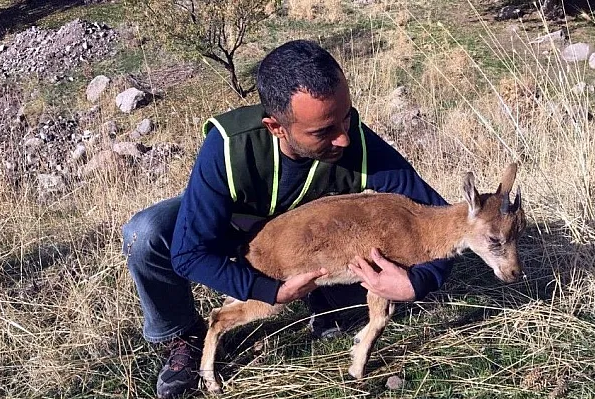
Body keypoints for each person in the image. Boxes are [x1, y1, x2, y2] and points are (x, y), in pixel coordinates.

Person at [122, 39, 454, 399]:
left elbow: (443, 218)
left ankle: (322, 302)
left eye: (346, 116)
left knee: (348, 307)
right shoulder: (229, 148)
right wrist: (270, 291)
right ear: (276, 127)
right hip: (233, 227)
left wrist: (416, 282)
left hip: (301, 242)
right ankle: (182, 335)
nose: (343, 138)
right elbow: (189, 254)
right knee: (147, 234)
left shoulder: (355, 141)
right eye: (323, 131)